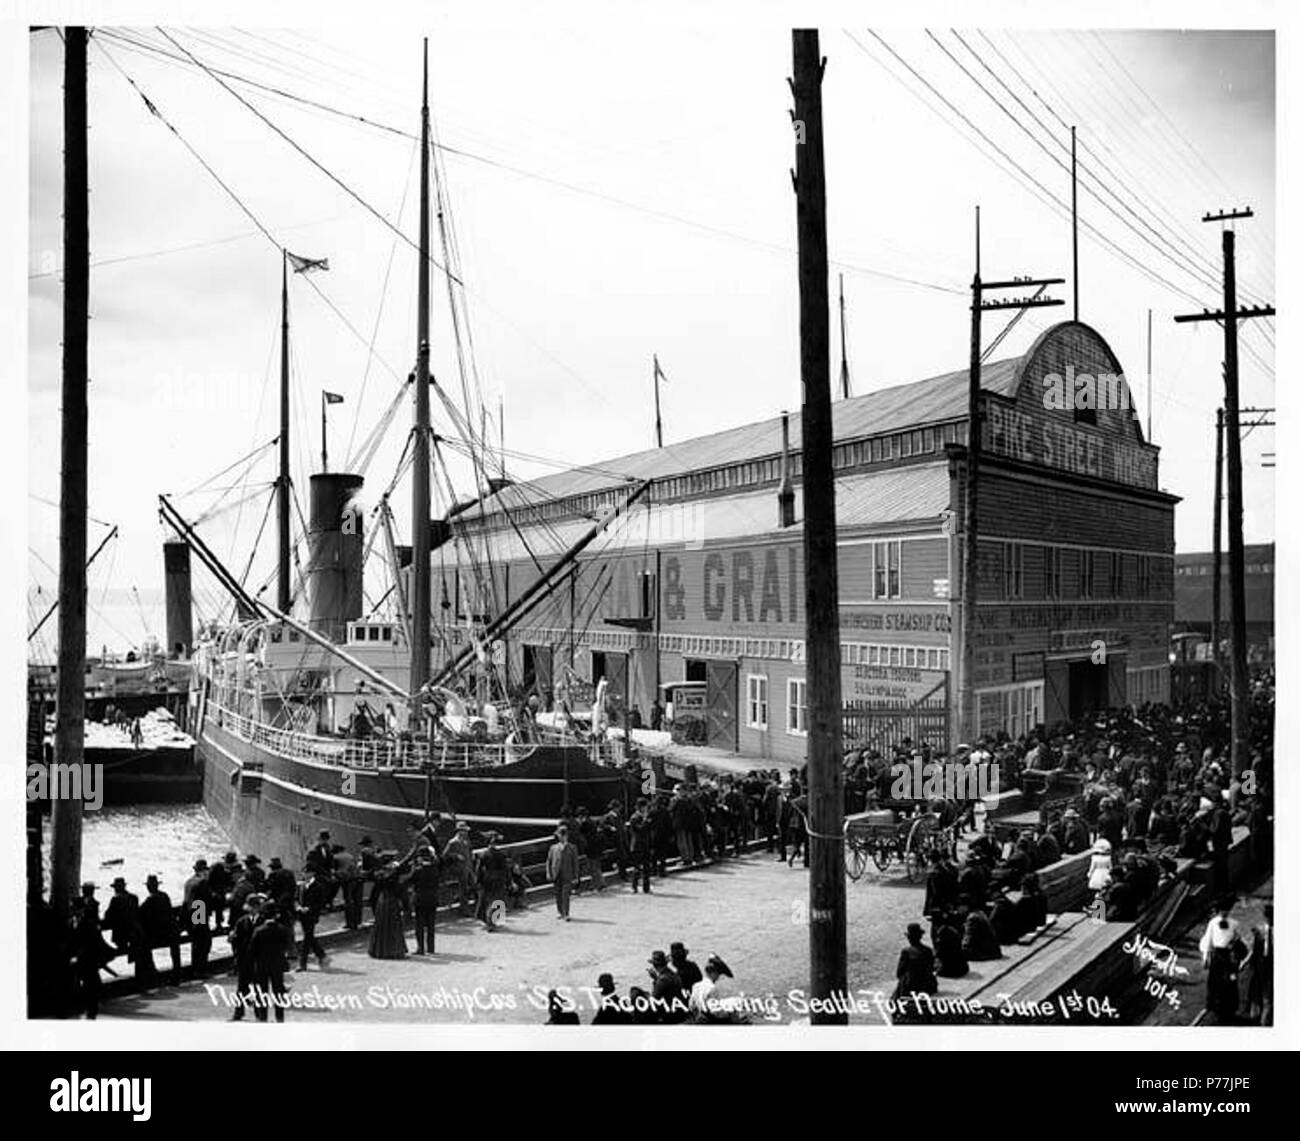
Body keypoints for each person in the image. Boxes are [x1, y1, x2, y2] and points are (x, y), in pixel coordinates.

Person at [1198, 897, 1248, 1024]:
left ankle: (1229, 1010)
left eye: (1226, 910)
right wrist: (1205, 957)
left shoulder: (1234, 924)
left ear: (1229, 910)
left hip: (1229, 957)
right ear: (1218, 911)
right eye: (1221, 910)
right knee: (1215, 983)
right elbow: (1208, 940)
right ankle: (1215, 1009)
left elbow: (1239, 939)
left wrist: (1237, 949)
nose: (1224, 913)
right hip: (1216, 957)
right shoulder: (1213, 923)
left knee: (1230, 982)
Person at [249, 903, 292, 1023]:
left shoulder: (258, 931)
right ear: (276, 915)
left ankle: (263, 1017)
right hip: (277, 964)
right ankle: (280, 1017)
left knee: (262, 992)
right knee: (278, 991)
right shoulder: (283, 930)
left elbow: (252, 950)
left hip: (262, 965)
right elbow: (286, 946)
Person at [138, 874, 181, 983]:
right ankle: (177, 974)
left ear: (148, 887)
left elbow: (140, 913)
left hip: (160, 935)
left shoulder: (149, 900)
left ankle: (151, 973)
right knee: (175, 949)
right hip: (171, 932)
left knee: (143, 945)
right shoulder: (164, 896)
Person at [227, 893, 264, 1021]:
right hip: (244, 959)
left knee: (258, 989)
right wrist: (232, 938)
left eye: (253, 907)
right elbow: (236, 939)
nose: (250, 910)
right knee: (241, 988)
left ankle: (260, 1015)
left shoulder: (264, 921)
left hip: (259, 960)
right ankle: (238, 1013)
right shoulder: (242, 921)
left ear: (258, 908)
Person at [368, 862, 409, 960]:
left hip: (381, 903)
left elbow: (373, 895)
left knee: (381, 926)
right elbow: (402, 894)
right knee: (393, 927)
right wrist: (406, 908)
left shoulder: (380, 879)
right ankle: (393, 951)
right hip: (392, 903)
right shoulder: (395, 880)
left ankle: (379, 950)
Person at [893, 923, 939, 1002]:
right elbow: (932, 967)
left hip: (911, 986)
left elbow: (899, 972)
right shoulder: (928, 950)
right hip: (927, 985)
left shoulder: (906, 952)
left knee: (895, 996)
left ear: (909, 938)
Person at [182, 860, 213, 974]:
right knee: (204, 944)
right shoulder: (203, 883)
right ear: (204, 871)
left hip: (190, 916)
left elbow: (186, 901)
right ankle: (200, 970)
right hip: (199, 915)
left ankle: (195, 969)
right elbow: (204, 901)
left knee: (196, 945)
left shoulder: (188, 882)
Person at [296, 866, 330, 971]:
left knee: (307, 938)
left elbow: (320, 902)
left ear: (312, 874)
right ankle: (321, 955)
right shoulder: (301, 886)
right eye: (303, 873)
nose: (304, 875)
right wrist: (298, 906)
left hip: (311, 915)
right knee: (309, 936)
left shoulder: (318, 886)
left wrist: (309, 908)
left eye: (307, 873)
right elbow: (296, 898)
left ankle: (303, 963)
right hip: (302, 914)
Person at [1246, 903, 1273, 1026]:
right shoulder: (1260, 931)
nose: (1270, 919)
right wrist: (1246, 963)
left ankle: (1264, 1020)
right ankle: (1255, 1016)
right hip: (1259, 967)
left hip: (1272, 967)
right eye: (1268, 917)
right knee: (1256, 992)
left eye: (1271, 917)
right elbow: (1254, 950)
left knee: (1268, 997)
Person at [101, 876, 140, 964]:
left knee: (119, 945)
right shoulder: (134, 898)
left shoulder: (115, 900)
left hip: (122, 936)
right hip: (134, 934)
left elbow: (108, 916)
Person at [441, 823, 477, 917]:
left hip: (469, 867)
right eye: (464, 831)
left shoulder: (467, 841)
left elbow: (470, 851)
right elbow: (445, 855)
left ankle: (476, 907)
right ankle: (464, 910)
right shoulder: (452, 842)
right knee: (463, 889)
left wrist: (471, 856)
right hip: (459, 869)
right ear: (459, 831)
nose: (466, 832)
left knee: (475, 886)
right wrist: (456, 856)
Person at [477, 833, 511, 931]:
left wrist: (478, 880)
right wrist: (508, 881)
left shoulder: (483, 854)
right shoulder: (501, 855)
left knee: (487, 900)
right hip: (499, 878)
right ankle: (492, 921)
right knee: (498, 900)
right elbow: (506, 869)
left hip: (487, 878)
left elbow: (479, 869)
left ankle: (488, 921)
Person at [409, 848, 441, 953]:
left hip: (420, 899)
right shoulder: (435, 870)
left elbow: (409, 881)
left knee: (419, 925)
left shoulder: (418, 871)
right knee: (431, 925)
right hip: (432, 898)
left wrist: (413, 868)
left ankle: (421, 948)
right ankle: (431, 947)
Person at [546, 825, 580, 921]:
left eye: (562, 835)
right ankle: (559, 911)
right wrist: (549, 873)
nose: (561, 837)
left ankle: (566, 913)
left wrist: (576, 876)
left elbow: (575, 863)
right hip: (556, 873)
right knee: (557, 894)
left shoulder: (572, 848)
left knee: (565, 894)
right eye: (560, 835)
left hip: (567, 874)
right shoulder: (553, 848)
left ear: (566, 836)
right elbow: (549, 861)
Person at [648, 950, 689, 1023]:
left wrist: (655, 981)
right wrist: (656, 979)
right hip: (678, 1011)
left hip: (668, 1015)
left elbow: (654, 999)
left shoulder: (662, 980)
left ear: (654, 966)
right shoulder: (673, 974)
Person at [932, 909, 969, 978]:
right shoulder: (953, 931)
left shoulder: (941, 936)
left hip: (951, 971)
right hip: (963, 968)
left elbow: (939, 954)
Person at [627, 798, 654, 894]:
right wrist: (646, 821)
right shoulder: (634, 817)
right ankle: (634, 886)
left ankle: (646, 887)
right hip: (637, 845)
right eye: (645, 807)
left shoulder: (644, 817)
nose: (646, 809)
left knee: (647, 867)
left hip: (645, 844)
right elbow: (639, 829)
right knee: (637, 867)